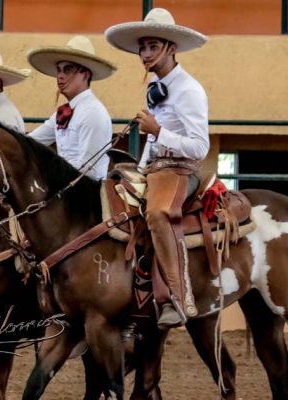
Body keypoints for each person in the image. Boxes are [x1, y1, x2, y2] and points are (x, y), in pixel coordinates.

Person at [105, 8, 209, 328]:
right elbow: (152, 141)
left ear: (171, 48)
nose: (146, 54)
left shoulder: (190, 90)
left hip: (180, 170)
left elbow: (200, 147)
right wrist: (137, 167)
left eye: (153, 46)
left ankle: (177, 297)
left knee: (158, 213)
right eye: (143, 47)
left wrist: (158, 131)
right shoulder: (157, 86)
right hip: (154, 167)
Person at [26, 36, 117, 180]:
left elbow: (89, 169)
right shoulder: (64, 112)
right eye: (59, 70)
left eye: (67, 70)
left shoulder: (92, 112)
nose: (60, 76)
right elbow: (31, 141)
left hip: (89, 193)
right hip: (66, 188)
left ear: (85, 75)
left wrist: (48, 167)